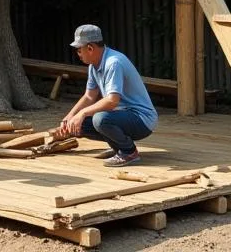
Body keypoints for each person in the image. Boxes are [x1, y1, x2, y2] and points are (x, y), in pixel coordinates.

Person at [59, 24, 158, 166]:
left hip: (142, 120)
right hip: (123, 116)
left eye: (79, 50)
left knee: (100, 119)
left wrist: (82, 113)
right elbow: (89, 96)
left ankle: (129, 152)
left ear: (90, 48)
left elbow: (112, 101)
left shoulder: (113, 62)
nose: (78, 54)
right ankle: (118, 148)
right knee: (79, 125)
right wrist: (69, 117)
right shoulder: (94, 66)